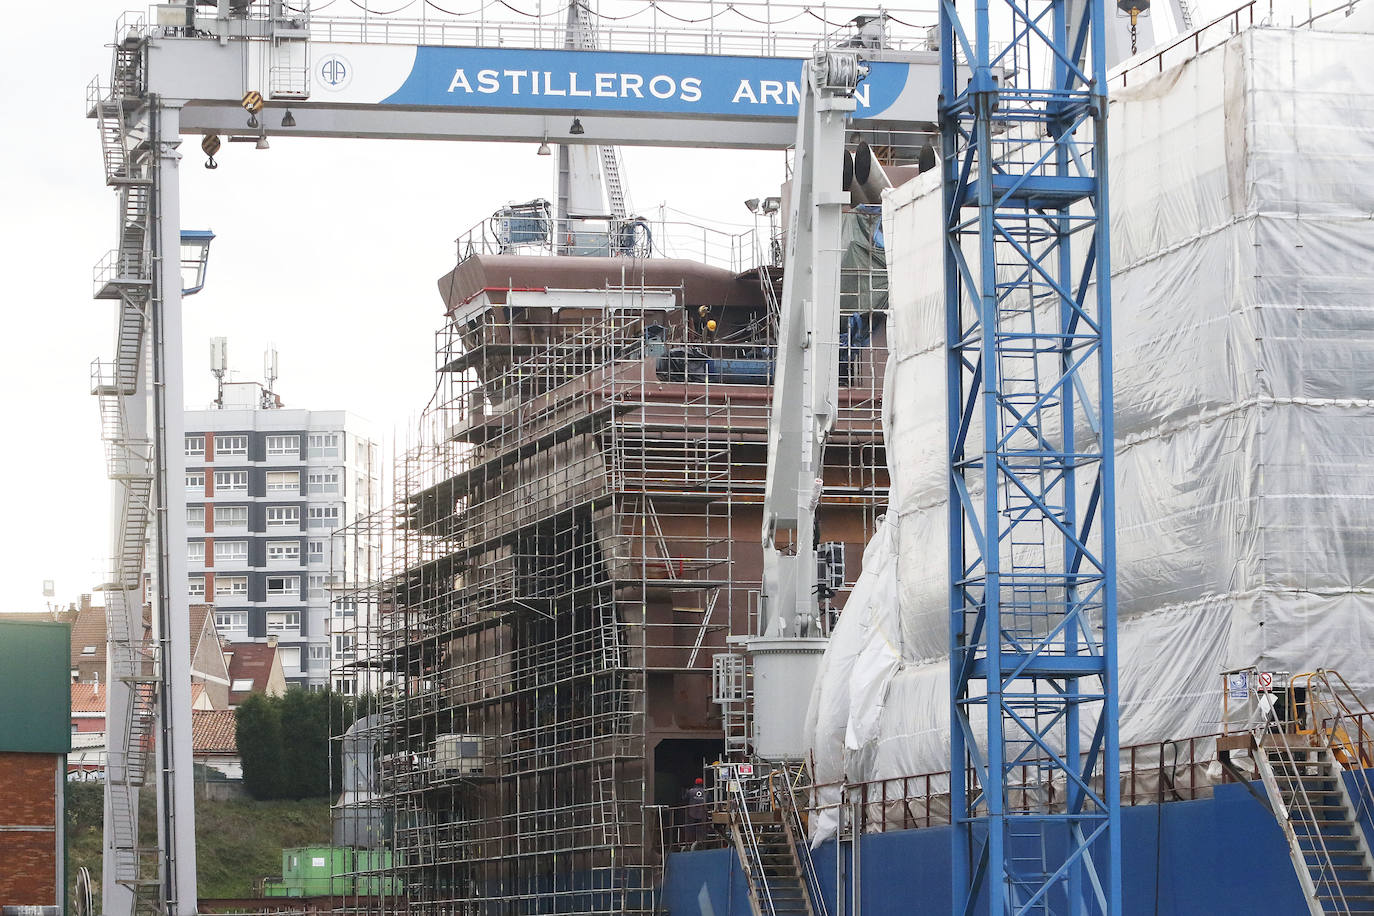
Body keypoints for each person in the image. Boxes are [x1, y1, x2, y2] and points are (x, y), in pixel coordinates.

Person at [683, 777, 708, 846]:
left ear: (695, 783)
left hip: (692, 813)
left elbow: (684, 799)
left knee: (691, 828)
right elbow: (710, 800)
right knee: (701, 828)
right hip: (702, 813)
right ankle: (701, 842)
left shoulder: (690, 791)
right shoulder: (705, 791)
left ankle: (690, 843)